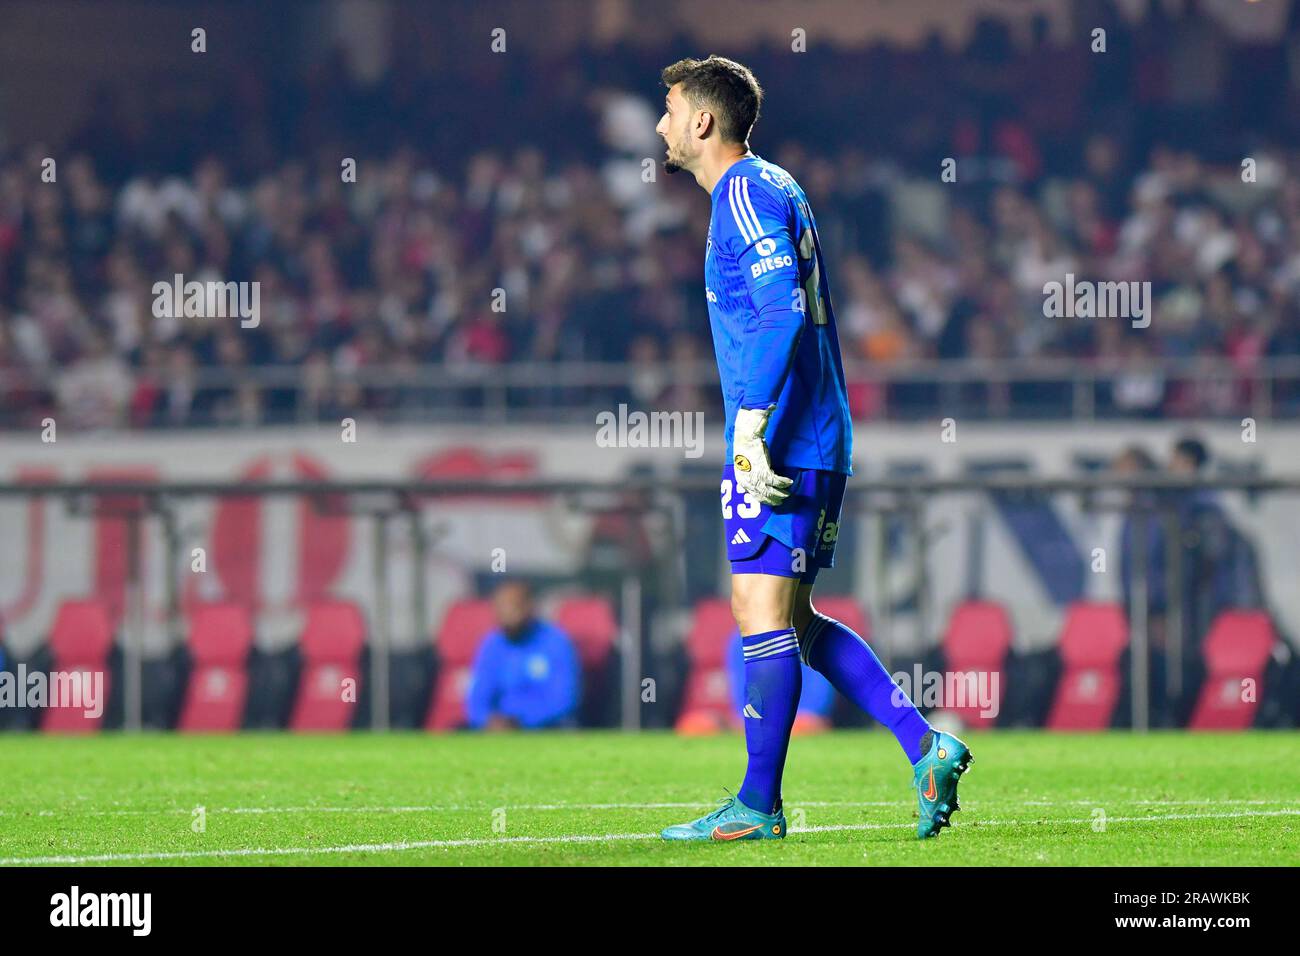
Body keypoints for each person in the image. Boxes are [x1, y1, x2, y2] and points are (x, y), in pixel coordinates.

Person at [653, 56, 969, 842]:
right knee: (791, 618)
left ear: (702, 121)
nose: (660, 126)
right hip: (813, 431)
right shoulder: (772, 186)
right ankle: (927, 746)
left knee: (759, 611)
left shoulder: (743, 192)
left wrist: (752, 425)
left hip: (788, 436)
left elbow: (782, 310)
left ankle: (759, 806)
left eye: (669, 110)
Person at [464, 581, 581, 731]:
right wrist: (488, 720)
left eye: (512, 607)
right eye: (500, 608)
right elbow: (477, 699)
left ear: (529, 607)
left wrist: (522, 721)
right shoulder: (492, 644)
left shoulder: (556, 641)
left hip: (546, 727)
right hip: (500, 728)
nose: (506, 614)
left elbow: (564, 700)